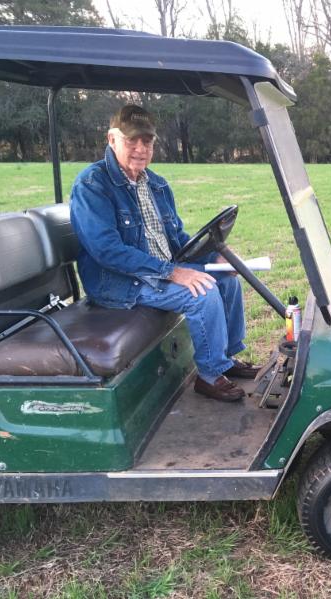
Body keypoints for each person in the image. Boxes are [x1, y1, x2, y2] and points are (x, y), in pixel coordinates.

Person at [70, 105, 260, 402]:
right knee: (203, 293)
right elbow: (107, 251)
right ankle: (210, 376)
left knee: (227, 280)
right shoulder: (92, 185)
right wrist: (172, 272)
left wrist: (215, 257)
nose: (140, 149)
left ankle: (225, 358)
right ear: (111, 139)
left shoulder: (156, 185)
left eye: (147, 141)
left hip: (160, 270)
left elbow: (177, 238)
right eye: (132, 140)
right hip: (119, 281)